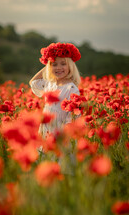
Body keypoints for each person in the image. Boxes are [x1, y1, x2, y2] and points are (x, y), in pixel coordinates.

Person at [29, 42, 81, 174]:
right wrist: (47, 63)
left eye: (63, 64)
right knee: (46, 169)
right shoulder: (49, 84)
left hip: (61, 136)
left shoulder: (71, 89)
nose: (59, 68)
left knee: (61, 170)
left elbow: (73, 118)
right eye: (54, 64)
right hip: (46, 132)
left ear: (70, 66)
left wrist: (62, 138)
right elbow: (33, 82)